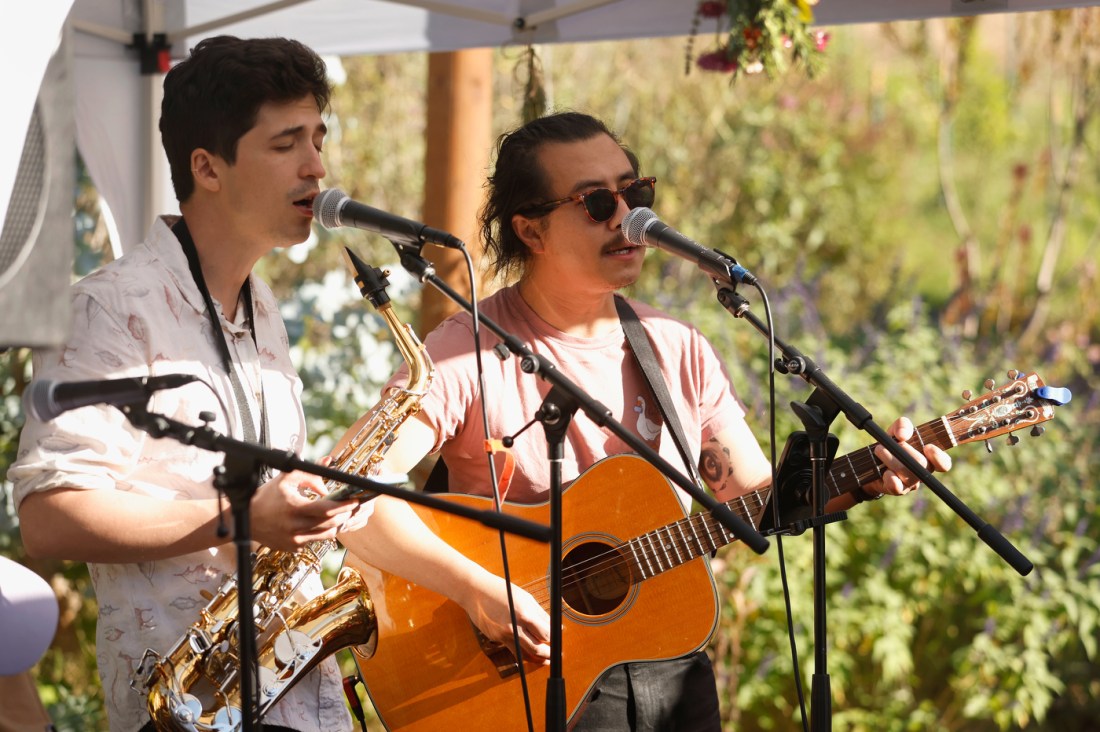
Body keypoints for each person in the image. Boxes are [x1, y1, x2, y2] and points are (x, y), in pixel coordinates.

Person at [355, 111, 953, 730]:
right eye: (596, 203)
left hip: (672, 671)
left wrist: (864, 476)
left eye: (635, 193)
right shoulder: (465, 352)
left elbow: (755, 501)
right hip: (524, 681)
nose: (627, 218)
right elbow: (348, 495)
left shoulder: (675, 347)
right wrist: (478, 589)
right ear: (531, 231)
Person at [8, 35, 535, 732]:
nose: (317, 166)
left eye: (318, 137)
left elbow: (324, 510)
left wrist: (476, 589)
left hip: (296, 701)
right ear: (208, 168)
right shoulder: (109, 308)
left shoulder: (264, 309)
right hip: (188, 706)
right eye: (286, 144)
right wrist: (239, 519)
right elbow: (46, 516)